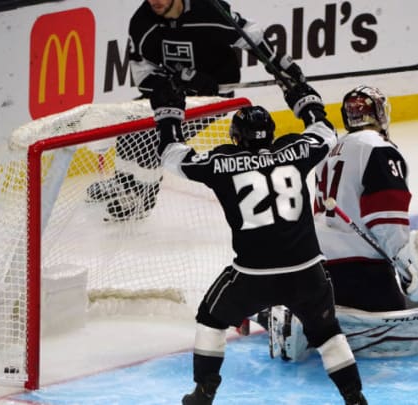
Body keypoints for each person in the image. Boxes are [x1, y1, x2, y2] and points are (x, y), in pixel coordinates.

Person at [155, 80, 367, 405]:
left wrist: (169, 116)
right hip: (308, 270)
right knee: (326, 332)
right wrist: (304, 99)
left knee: (211, 318)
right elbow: (325, 130)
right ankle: (354, 398)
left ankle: (203, 392)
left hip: (254, 276)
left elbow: (172, 156)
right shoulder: (294, 149)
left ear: (235, 137)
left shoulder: (222, 162)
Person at [87, 0, 304, 221]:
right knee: (131, 123)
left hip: (210, 99)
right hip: (173, 91)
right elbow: (143, 76)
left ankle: (141, 198)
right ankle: (124, 183)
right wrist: (179, 79)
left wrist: (278, 65)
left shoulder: (208, 11)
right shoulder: (142, 21)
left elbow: (251, 35)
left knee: (152, 138)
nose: (155, 1)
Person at [314, 85, 418, 311]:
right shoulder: (378, 148)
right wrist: (408, 270)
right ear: (378, 113)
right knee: (400, 319)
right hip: (364, 272)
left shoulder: (330, 150)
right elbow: (387, 220)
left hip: (321, 271)